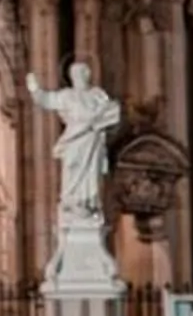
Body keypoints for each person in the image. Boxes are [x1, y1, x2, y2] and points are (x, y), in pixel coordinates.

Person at [25, 59, 121, 223]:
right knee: (72, 172)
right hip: (74, 141)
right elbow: (46, 100)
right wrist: (34, 89)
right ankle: (73, 204)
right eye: (76, 73)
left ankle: (88, 205)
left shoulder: (97, 94)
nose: (80, 76)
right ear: (71, 76)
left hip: (92, 142)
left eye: (83, 72)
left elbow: (114, 112)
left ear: (88, 75)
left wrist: (96, 120)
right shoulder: (66, 95)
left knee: (90, 178)